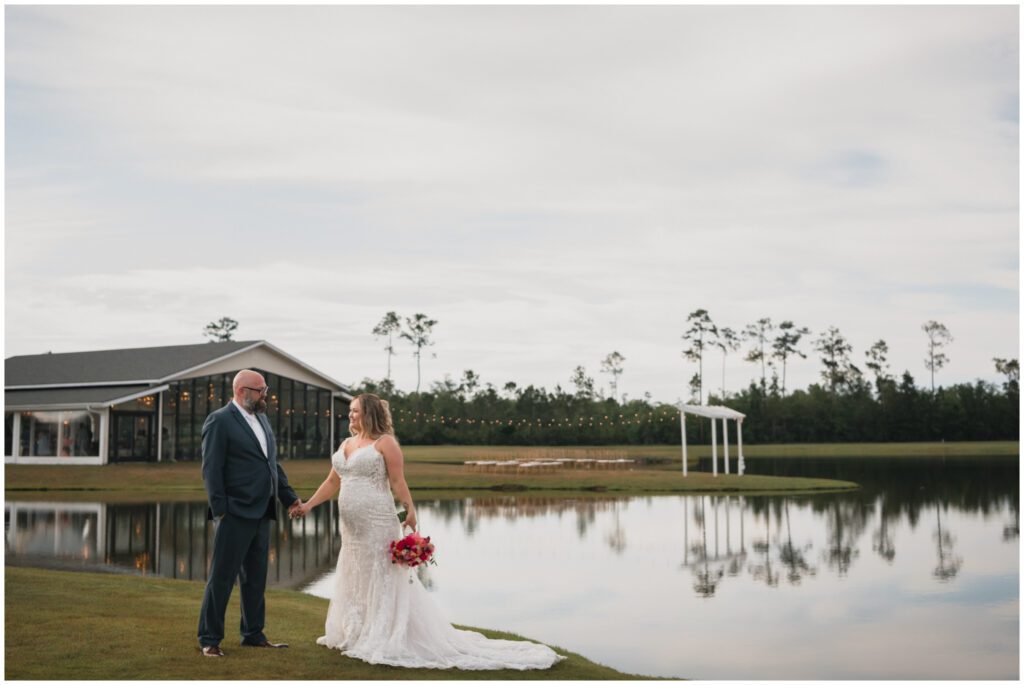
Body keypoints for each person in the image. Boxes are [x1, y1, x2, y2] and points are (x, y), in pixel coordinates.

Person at [294, 393, 565, 670]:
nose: (350, 415)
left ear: (370, 413)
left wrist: (409, 510)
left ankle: (385, 633)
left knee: (382, 572)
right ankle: (357, 629)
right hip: (351, 528)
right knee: (357, 571)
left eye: (355, 411)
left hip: (378, 520)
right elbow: (331, 481)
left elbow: (398, 481)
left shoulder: (385, 443)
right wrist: (308, 505)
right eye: (350, 410)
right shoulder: (346, 443)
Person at [196, 369, 303, 657]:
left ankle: (253, 635)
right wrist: (221, 511)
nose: (265, 395)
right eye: (261, 390)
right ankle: (209, 639)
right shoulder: (219, 421)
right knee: (222, 578)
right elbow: (211, 471)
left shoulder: (262, 420)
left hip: (262, 512)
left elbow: (272, 465)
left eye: (265, 389)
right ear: (242, 391)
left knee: (255, 578)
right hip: (234, 513)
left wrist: (289, 498)